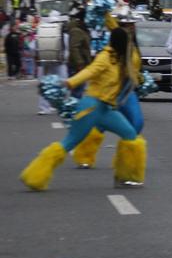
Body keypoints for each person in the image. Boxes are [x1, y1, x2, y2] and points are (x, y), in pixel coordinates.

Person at [20, 27, 146, 190]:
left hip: (107, 109)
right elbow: (90, 71)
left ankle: (127, 177)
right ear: (123, 43)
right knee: (69, 142)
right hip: (91, 108)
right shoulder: (105, 57)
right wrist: (69, 82)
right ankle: (34, 176)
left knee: (130, 135)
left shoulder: (125, 60)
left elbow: (134, 63)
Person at [72, 6, 146, 169]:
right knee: (99, 123)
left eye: (132, 25)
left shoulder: (134, 46)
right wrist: (104, 9)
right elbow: (111, 23)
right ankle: (85, 155)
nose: (131, 28)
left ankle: (126, 158)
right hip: (110, 90)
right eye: (127, 25)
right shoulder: (118, 39)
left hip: (128, 91)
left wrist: (142, 79)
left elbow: (135, 69)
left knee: (137, 122)